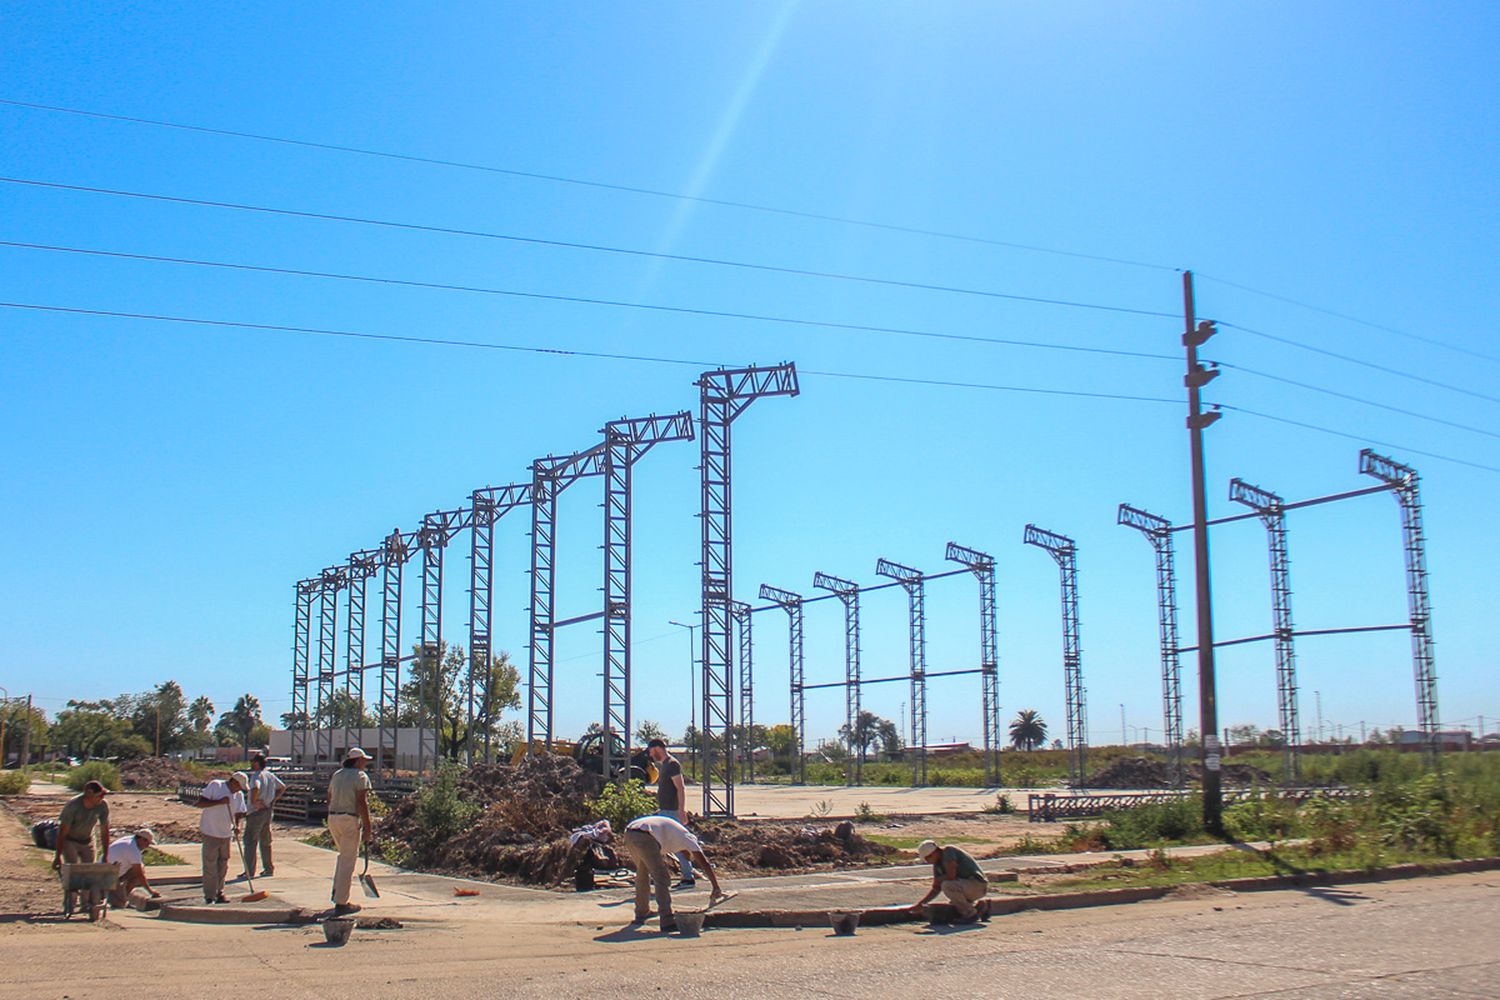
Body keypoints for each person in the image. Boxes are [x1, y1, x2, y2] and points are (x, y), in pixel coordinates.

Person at [623, 813, 723, 932]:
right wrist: (715, 886)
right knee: (661, 876)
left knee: (642, 872)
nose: (686, 857)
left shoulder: (676, 836)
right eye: (688, 856)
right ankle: (667, 920)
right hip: (646, 835)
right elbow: (704, 863)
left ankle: (642, 912)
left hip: (630, 832)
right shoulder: (688, 839)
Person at [326, 746, 374, 916]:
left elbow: (329, 797)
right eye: (364, 760)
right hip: (349, 819)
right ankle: (341, 902)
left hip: (333, 818)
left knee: (343, 857)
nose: (365, 763)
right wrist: (368, 827)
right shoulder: (360, 776)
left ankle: (337, 891)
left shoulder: (337, 775)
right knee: (348, 861)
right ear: (358, 760)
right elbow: (362, 802)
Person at [53, 779, 111, 919]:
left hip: (88, 840)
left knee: (89, 873)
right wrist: (57, 856)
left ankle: (86, 905)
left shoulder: (102, 806)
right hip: (70, 840)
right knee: (73, 873)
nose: (102, 798)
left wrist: (106, 855)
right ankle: (70, 905)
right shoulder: (73, 806)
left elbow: (105, 831)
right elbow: (62, 832)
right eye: (99, 795)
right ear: (89, 794)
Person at [646, 739, 695, 888]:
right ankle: (664, 875)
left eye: (651, 751)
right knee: (662, 843)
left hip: (672, 812)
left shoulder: (673, 764)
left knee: (677, 844)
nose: (650, 755)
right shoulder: (665, 765)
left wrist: (681, 811)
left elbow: (680, 788)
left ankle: (688, 878)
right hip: (665, 811)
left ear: (657, 749)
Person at [193, 771, 248, 904]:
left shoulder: (238, 795)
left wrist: (237, 825)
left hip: (226, 833)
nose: (239, 789)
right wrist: (219, 802)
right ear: (233, 782)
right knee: (210, 864)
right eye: (239, 786)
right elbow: (200, 803)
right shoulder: (216, 785)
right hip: (210, 832)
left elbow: (240, 813)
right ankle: (209, 895)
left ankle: (220, 892)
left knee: (223, 864)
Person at [910, 839, 988, 923]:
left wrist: (939, 879)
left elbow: (951, 876)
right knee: (955, 902)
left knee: (947, 886)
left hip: (977, 884)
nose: (928, 861)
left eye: (927, 859)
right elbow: (936, 888)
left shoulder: (948, 852)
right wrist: (920, 904)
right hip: (968, 887)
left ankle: (970, 914)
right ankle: (980, 908)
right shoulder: (938, 865)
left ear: (933, 853)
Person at [241, 753, 285, 878]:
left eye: (252, 762)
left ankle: (249, 871)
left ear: (256, 763)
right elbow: (282, 787)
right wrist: (273, 800)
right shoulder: (270, 775)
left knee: (250, 841)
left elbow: (255, 788)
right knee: (265, 841)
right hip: (268, 811)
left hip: (256, 812)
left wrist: (254, 802)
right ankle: (268, 868)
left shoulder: (257, 776)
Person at [106, 828, 162, 907]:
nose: (147, 846)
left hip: (109, 870)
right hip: (107, 876)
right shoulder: (133, 850)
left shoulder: (128, 840)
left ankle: (125, 896)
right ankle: (119, 897)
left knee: (140, 867)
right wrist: (150, 891)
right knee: (119, 905)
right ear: (142, 839)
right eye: (147, 843)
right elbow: (139, 874)